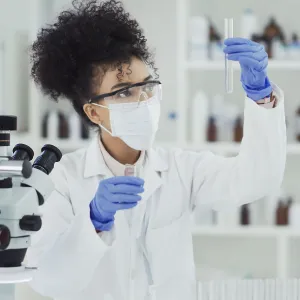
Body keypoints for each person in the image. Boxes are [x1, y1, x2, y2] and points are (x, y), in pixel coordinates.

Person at [26, 1, 286, 299]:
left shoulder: (181, 168)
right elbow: (48, 281)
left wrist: (261, 97)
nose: (144, 100)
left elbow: (256, 180)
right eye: (124, 91)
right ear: (94, 113)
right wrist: (93, 222)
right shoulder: (62, 182)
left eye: (147, 86)